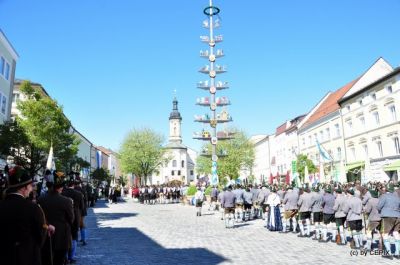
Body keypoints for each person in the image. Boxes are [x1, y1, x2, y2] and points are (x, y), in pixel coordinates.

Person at [0, 166, 50, 265]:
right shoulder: (33, 208)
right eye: (31, 185)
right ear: (24, 187)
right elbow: (41, 236)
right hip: (27, 257)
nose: (32, 189)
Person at [38, 172, 74, 265]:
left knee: (46, 260)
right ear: (61, 187)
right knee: (59, 260)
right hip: (62, 237)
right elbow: (71, 219)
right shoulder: (66, 201)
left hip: (45, 236)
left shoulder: (41, 199)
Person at [377, 183, 400, 260]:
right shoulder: (397, 197)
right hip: (398, 216)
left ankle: (389, 253)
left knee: (385, 233)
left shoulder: (384, 196)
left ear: (386, 190)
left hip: (387, 216)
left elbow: (378, 206)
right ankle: (397, 253)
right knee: (396, 233)